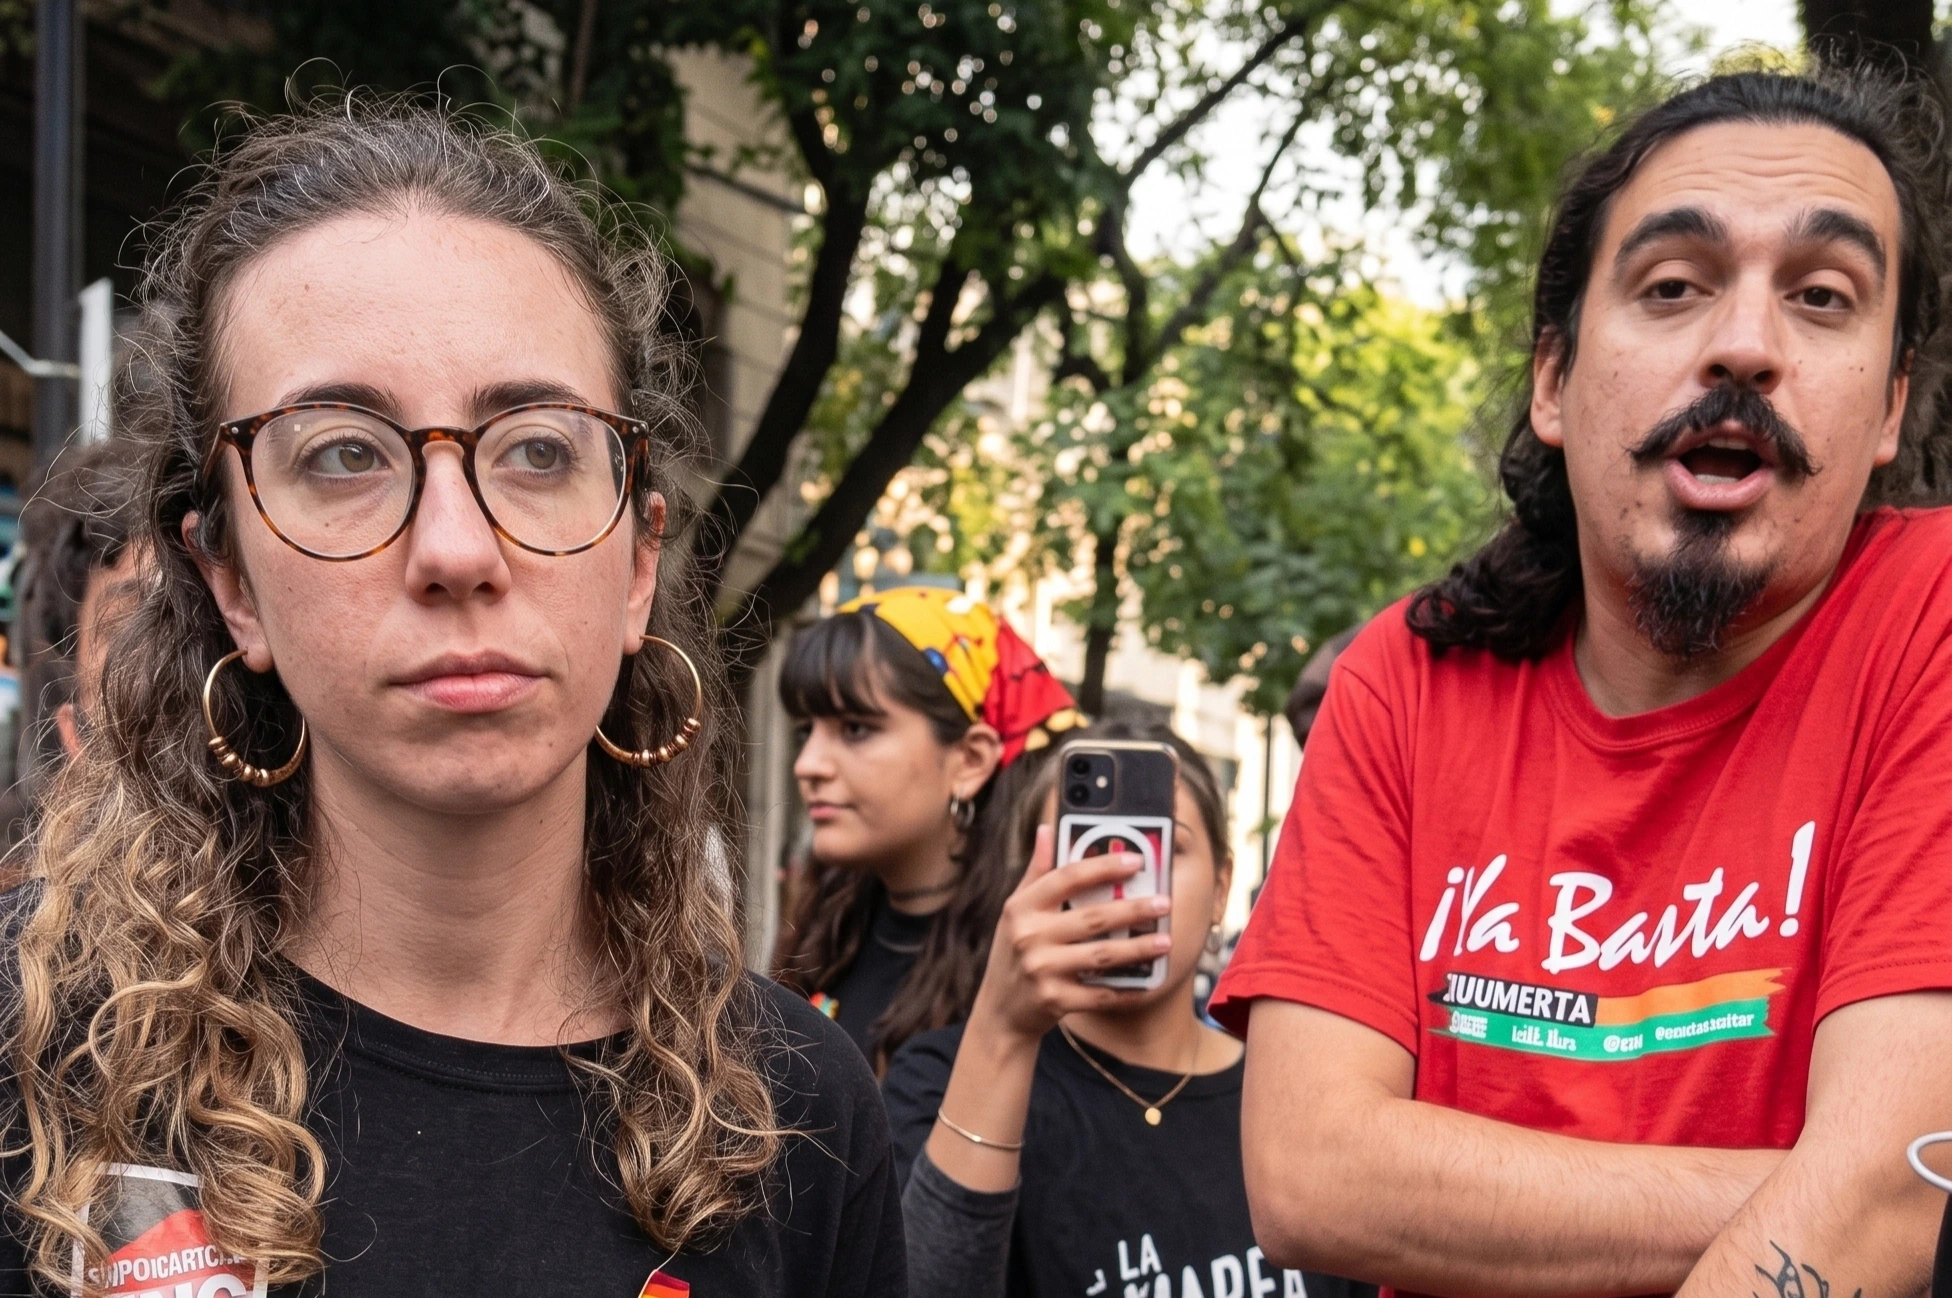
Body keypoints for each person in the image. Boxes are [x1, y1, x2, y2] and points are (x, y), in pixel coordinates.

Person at [0, 99, 903, 1296]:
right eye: (341, 453)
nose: (455, 548)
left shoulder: (799, 1109)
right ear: (232, 585)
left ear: (637, 563)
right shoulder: (34, 1053)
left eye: (535, 447)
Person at [1213, 66, 1952, 1298]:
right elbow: (1308, 1173)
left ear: (1885, 407)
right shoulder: (1399, 679)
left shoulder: (1931, 615)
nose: (1742, 346)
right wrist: (1828, 1172)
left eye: (1822, 297)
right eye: (1672, 287)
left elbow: (1888, 1187)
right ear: (1552, 378)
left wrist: (1876, 1179)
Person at [884, 723, 1369, 1298]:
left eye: (1161, 845)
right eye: (1088, 846)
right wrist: (1004, 1030)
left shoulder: (1299, 1096)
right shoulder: (941, 1081)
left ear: (1221, 888)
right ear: (1028, 887)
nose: (1125, 875)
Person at [775, 586, 1082, 1068]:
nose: (808, 765)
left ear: (970, 759)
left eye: (856, 728)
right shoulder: (826, 929)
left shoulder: (1037, 971)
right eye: (804, 732)